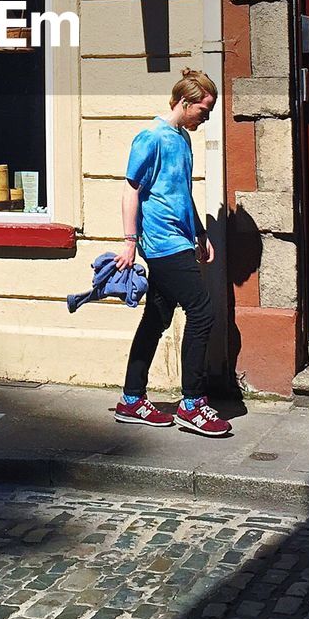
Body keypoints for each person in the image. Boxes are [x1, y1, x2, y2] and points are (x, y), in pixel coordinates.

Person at [112, 69, 231, 436]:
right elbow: (131, 189)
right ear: (184, 102)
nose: (206, 118)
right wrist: (129, 243)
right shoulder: (151, 137)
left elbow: (181, 193)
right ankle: (193, 405)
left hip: (181, 238)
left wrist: (199, 232)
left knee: (156, 319)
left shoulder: (182, 139)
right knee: (202, 311)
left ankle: (131, 400)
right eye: (204, 110)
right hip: (161, 243)